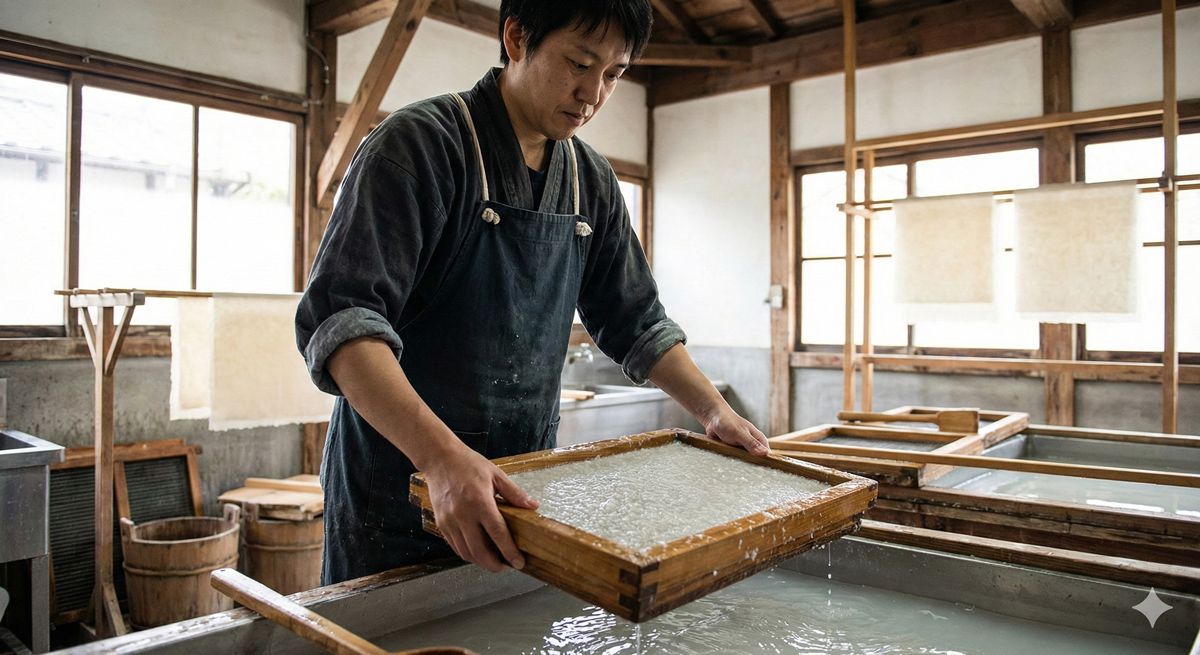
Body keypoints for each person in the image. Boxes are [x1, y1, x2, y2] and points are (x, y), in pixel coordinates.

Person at [296, 0, 770, 585]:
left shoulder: (589, 180)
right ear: (516, 37)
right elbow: (345, 326)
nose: (592, 94)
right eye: (579, 63)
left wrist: (714, 410)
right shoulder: (418, 147)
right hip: (398, 489)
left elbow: (637, 319)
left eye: (614, 75)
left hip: (524, 492)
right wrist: (440, 459)